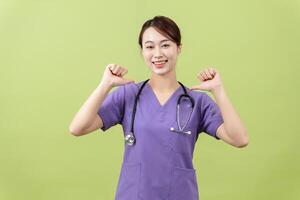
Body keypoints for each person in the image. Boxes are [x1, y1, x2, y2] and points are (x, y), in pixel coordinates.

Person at [69, 15, 249, 200]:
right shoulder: (128, 95)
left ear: (179, 48)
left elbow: (240, 139)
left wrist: (218, 90)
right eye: (149, 46)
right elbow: (77, 128)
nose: (157, 54)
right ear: (142, 51)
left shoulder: (197, 102)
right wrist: (104, 85)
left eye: (165, 45)